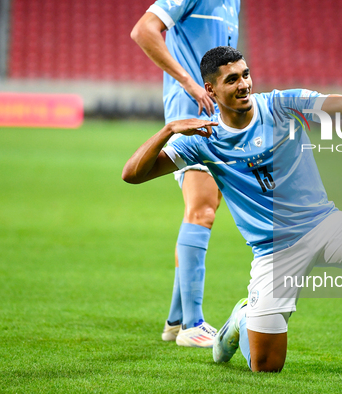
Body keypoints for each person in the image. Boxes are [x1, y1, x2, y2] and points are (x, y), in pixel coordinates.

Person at [122, 46, 342, 386]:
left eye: (245, 74)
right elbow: (132, 174)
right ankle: (242, 316)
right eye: (231, 80)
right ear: (210, 90)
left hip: (324, 225)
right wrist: (169, 131)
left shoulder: (280, 104)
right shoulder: (203, 139)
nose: (243, 85)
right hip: (274, 253)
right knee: (266, 366)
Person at [130, 0, 240, 347]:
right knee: (202, 208)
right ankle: (193, 324)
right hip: (190, 118)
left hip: (218, 121)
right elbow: (143, 30)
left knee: (206, 209)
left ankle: (176, 321)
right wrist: (190, 84)